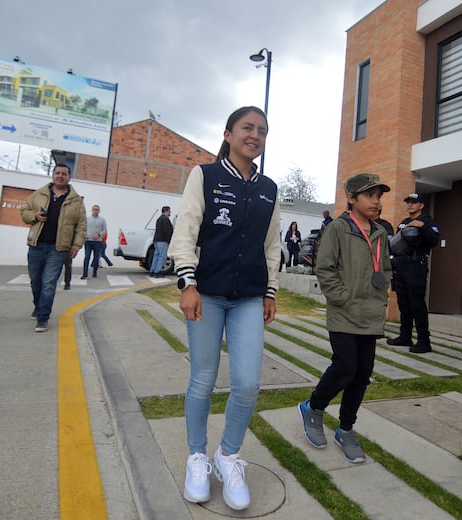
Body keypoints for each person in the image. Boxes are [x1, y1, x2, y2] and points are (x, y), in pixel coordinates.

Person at [168, 106, 280, 511]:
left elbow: (272, 246)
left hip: (249, 297)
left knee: (248, 383)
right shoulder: (206, 175)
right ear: (228, 134)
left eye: (262, 131)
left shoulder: (269, 188)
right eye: (247, 128)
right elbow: (185, 231)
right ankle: (197, 457)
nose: (255, 135)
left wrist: (270, 291)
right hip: (208, 292)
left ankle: (227, 456)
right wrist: (188, 283)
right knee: (203, 379)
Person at [298, 173, 392, 464]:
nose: (376, 201)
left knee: (362, 375)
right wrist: (344, 298)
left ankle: (346, 428)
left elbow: (385, 269)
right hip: (344, 313)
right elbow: (325, 270)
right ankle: (313, 408)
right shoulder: (338, 228)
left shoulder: (381, 232)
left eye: (378, 196)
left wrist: (381, 295)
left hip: (370, 314)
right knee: (345, 367)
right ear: (352, 198)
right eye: (369, 195)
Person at [21, 164, 86, 333]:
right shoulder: (39, 194)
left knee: (49, 283)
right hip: (36, 245)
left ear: (69, 178)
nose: (60, 176)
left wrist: (76, 246)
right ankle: (38, 305)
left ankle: (43, 317)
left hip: (58, 249)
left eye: (64, 174)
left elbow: (81, 226)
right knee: (35, 281)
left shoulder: (76, 201)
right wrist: (33, 216)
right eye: (57, 173)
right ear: (52, 175)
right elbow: (24, 212)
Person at [386, 193, 439, 353]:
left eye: (413, 202)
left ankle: (424, 341)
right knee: (404, 303)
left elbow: (434, 240)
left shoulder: (427, 221)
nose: (409, 205)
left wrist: (421, 226)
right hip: (401, 266)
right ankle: (405, 336)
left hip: (416, 266)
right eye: (408, 202)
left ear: (421, 205)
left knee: (417, 304)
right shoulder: (404, 223)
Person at [81, 204, 106, 279]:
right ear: (92, 210)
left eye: (97, 209)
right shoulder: (87, 219)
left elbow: (105, 230)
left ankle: (95, 271)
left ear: (99, 211)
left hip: (97, 242)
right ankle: (85, 273)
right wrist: (84, 235)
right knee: (87, 257)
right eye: (94, 209)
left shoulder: (102, 220)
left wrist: (98, 235)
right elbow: (83, 228)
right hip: (88, 241)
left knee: (96, 258)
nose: (95, 211)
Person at [149, 205, 173, 277]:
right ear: (166, 211)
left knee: (156, 256)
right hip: (163, 240)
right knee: (162, 256)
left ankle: (152, 271)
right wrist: (169, 240)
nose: (170, 212)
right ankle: (157, 271)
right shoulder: (165, 219)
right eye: (169, 211)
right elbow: (166, 231)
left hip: (157, 240)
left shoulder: (159, 219)